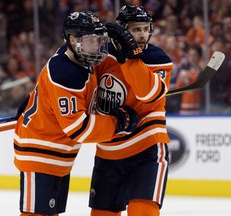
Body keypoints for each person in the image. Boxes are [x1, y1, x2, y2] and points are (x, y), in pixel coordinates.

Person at [13, 10, 139, 216]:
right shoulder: (67, 73)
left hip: (56, 154)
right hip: (40, 152)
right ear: (73, 39)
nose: (98, 46)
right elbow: (78, 128)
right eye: (92, 40)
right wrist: (117, 123)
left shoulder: (76, 55)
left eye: (100, 40)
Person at [89, 5, 173, 216]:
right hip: (108, 151)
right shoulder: (103, 56)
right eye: (136, 29)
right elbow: (82, 88)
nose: (143, 34)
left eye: (145, 28)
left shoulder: (157, 58)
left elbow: (148, 94)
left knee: (141, 212)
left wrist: (131, 56)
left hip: (146, 148)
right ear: (123, 30)